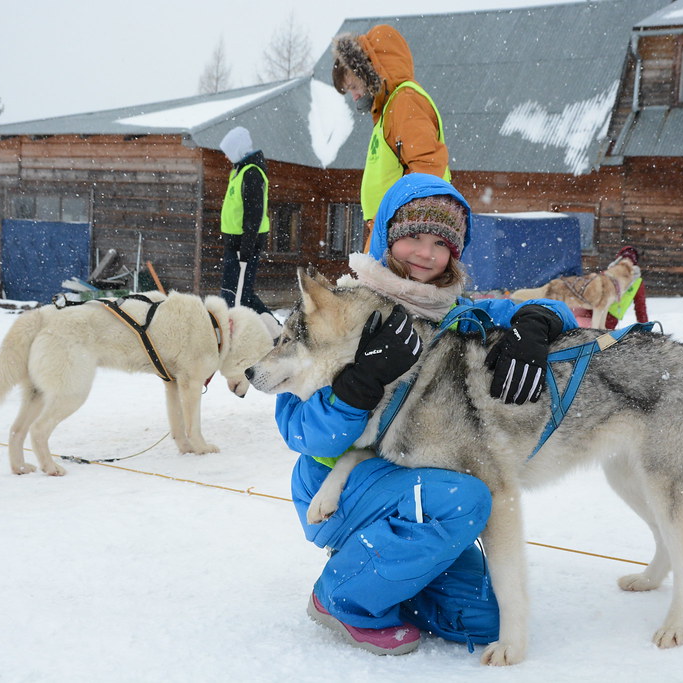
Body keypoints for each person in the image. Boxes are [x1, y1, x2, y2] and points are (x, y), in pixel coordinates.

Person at [274, 173, 578, 655]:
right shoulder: (342, 308)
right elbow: (300, 431)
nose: (425, 252)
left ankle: (391, 570)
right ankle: (343, 595)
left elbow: (536, 305)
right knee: (467, 497)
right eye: (413, 235)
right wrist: (358, 387)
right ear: (387, 236)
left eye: (441, 242)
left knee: (480, 619)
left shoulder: (450, 309)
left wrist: (537, 321)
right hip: (332, 487)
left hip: (410, 486)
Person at [332, 25, 450, 233]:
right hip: (391, 227)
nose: (355, 97)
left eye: (353, 87)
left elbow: (428, 168)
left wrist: (408, 230)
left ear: (369, 73)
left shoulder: (405, 102)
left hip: (405, 229)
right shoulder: (388, 109)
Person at [218, 125, 273, 317]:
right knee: (231, 294)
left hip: (245, 245)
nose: (226, 157)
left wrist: (246, 248)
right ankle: (233, 330)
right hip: (235, 244)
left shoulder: (252, 173)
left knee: (241, 296)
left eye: (228, 152)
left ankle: (274, 330)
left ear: (237, 150)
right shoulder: (238, 172)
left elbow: (254, 215)